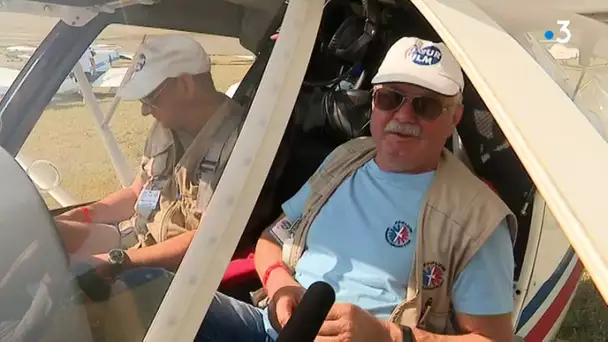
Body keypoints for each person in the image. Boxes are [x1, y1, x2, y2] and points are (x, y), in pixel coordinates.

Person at [194, 36, 518, 342]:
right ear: (374, 103)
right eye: (390, 98)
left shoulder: (479, 221)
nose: (404, 115)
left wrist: (386, 335)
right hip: (269, 327)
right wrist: (280, 284)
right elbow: (272, 239)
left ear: (455, 117)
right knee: (150, 289)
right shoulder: (345, 159)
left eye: (426, 106)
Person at [54, 34, 245, 277]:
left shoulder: (240, 143)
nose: (145, 110)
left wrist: (115, 262)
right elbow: (137, 192)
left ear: (186, 85)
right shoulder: (165, 126)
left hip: (169, 271)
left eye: (150, 98)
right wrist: (82, 215)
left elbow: (207, 239)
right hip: (133, 238)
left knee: (66, 278)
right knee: (47, 235)